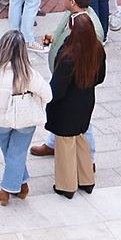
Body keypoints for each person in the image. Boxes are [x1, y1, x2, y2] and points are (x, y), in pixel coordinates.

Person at [0, 30, 50, 205]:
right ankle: (8, 189)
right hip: (25, 120)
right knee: (16, 154)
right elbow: (48, 94)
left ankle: (20, 186)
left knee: (11, 153)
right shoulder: (27, 72)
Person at [47, 14, 105, 198]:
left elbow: (58, 89)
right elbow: (101, 77)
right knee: (81, 140)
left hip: (66, 106)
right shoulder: (97, 49)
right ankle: (87, 180)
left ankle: (66, 186)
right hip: (86, 101)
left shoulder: (68, 56)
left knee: (65, 144)